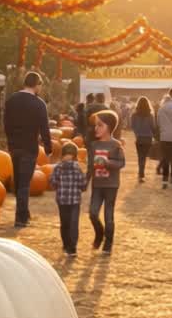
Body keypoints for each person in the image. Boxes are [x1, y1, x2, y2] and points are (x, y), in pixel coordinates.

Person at [4, 71, 54, 227]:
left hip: (14, 146)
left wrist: (10, 141)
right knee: (25, 184)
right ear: (37, 85)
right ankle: (21, 219)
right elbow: (44, 128)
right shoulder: (39, 104)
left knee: (19, 183)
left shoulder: (11, 100)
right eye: (40, 85)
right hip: (29, 148)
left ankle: (24, 212)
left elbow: (5, 123)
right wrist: (48, 148)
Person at [86, 110, 125, 254]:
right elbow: (90, 165)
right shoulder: (94, 145)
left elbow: (121, 163)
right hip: (97, 185)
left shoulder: (116, 145)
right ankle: (99, 233)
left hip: (111, 185)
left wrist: (107, 162)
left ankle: (108, 244)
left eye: (100, 125)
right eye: (95, 125)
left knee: (109, 216)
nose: (96, 128)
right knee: (93, 213)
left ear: (109, 127)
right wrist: (86, 181)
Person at [49, 141, 87, 257]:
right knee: (73, 224)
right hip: (75, 201)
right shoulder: (78, 168)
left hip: (62, 200)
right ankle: (72, 247)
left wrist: (58, 187)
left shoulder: (57, 168)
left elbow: (53, 182)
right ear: (75, 156)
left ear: (62, 155)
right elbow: (83, 184)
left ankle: (66, 245)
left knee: (64, 223)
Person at [129, 97, 155, 183]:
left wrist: (137, 130)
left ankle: (141, 174)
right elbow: (153, 127)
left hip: (139, 138)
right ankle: (141, 173)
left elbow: (132, 126)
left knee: (140, 157)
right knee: (144, 156)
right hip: (148, 138)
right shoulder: (150, 115)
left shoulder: (134, 115)